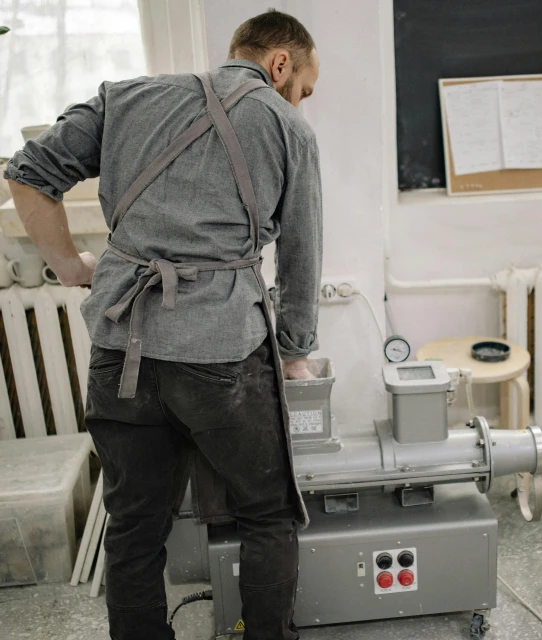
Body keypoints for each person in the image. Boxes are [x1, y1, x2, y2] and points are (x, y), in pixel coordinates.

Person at [4, 9, 322, 640]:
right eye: (305, 89)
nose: (302, 103)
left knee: (133, 526)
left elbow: (27, 172)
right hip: (223, 353)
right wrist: (292, 348)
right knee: (267, 515)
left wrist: (69, 264)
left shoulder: (124, 98)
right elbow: (301, 254)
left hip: (122, 348)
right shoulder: (286, 127)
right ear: (279, 63)